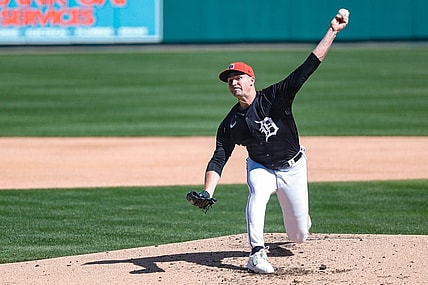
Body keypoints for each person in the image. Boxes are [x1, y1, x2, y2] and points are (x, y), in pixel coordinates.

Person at [196, 10, 349, 274]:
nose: (234, 83)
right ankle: (256, 253)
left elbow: (308, 66)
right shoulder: (231, 123)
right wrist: (207, 192)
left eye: (238, 78)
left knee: (299, 235)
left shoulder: (275, 96)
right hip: (261, 166)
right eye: (230, 81)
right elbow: (219, 157)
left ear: (251, 80)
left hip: (293, 167)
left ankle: (299, 222)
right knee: (257, 193)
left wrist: (332, 30)